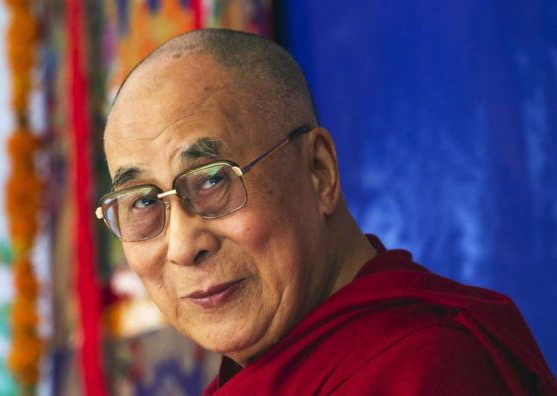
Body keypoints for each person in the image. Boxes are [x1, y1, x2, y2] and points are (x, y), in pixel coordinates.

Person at [96, 28, 557, 395]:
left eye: (214, 179)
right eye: (142, 202)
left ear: (319, 172)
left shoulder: (428, 369)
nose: (181, 246)